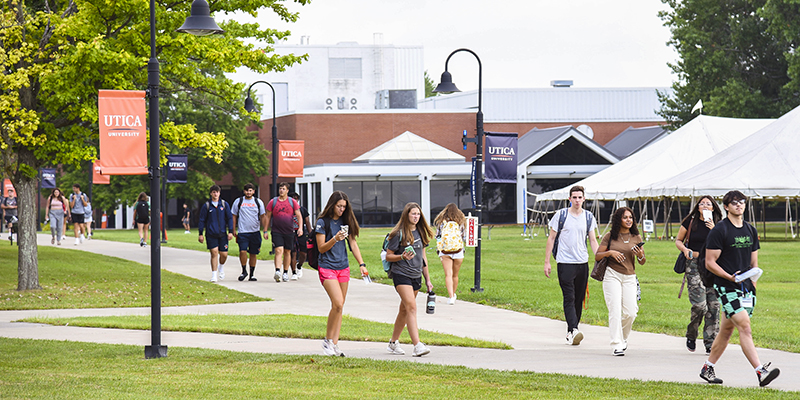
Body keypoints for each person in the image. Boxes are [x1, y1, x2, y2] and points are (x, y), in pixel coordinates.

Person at [699, 190, 780, 387]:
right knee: (744, 325)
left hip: (746, 288)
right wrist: (729, 277)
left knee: (727, 330)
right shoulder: (720, 230)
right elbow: (710, 263)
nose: (739, 205)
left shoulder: (750, 230)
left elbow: (754, 263)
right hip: (726, 286)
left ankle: (707, 367)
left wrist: (753, 283)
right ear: (726, 207)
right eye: (734, 202)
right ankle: (761, 371)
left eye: (742, 202)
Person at [543, 185, 599, 346]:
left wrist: (599, 259)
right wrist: (547, 262)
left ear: (584, 199)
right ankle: (574, 329)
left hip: (582, 262)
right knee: (569, 296)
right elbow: (551, 239)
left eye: (579, 197)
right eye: (574, 197)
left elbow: (593, 240)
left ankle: (571, 333)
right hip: (565, 262)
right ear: (569, 199)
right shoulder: (561, 215)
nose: (577, 200)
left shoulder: (588, 217)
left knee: (579, 298)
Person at [315, 190, 368, 357]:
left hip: (343, 267)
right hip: (327, 267)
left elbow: (353, 243)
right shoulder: (322, 222)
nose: (342, 209)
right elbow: (321, 248)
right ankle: (327, 341)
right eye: (339, 206)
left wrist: (362, 264)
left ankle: (335, 344)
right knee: (337, 302)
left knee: (340, 306)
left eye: (344, 207)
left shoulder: (346, 220)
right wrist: (335, 239)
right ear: (332, 205)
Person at [385, 202, 434, 357]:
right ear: (406, 215)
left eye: (418, 214)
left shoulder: (421, 232)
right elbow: (388, 255)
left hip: (416, 275)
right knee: (411, 307)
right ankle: (417, 345)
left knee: (404, 310)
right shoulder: (398, 233)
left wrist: (427, 279)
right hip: (401, 274)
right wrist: (401, 256)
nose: (416, 217)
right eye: (413, 214)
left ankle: (393, 343)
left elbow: (423, 258)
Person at [595, 207, 646, 356]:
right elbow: (598, 256)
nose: (629, 220)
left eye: (631, 217)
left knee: (631, 313)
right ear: (619, 220)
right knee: (615, 310)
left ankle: (622, 338)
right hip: (612, 275)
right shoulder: (610, 236)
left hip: (630, 277)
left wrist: (640, 255)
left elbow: (642, 262)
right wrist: (610, 252)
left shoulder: (636, 237)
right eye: (625, 217)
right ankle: (616, 344)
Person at [675, 195, 722, 354]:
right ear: (698, 207)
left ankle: (711, 343)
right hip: (694, 264)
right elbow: (678, 240)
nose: (705, 206)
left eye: (708, 204)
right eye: (702, 203)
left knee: (714, 306)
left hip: (714, 266)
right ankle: (692, 333)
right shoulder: (690, 221)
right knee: (700, 305)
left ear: (713, 207)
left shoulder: (719, 225)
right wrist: (684, 249)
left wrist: (713, 229)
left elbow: (724, 244)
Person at [264, 182, 304, 283]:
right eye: (280, 188)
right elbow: (267, 216)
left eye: (283, 189)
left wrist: (300, 228)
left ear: (287, 191)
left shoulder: (292, 202)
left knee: (287, 252)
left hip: (289, 231)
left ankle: (285, 272)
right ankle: (277, 271)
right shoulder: (273, 202)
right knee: (278, 250)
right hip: (276, 230)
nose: (281, 190)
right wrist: (265, 230)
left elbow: (299, 215)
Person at [198, 185, 234, 283]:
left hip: (222, 233)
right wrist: (200, 233)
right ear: (211, 193)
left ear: (219, 193)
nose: (215, 194)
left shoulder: (224, 204)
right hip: (211, 233)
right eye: (213, 192)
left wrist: (231, 231)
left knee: (224, 254)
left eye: (217, 192)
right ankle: (214, 275)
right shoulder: (207, 206)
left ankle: (221, 267)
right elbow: (202, 220)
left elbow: (230, 218)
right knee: (214, 253)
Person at [231, 183, 267, 282]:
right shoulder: (239, 201)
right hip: (243, 232)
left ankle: (252, 274)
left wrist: (265, 230)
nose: (248, 192)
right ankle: (244, 271)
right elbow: (233, 216)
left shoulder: (258, 202)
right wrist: (233, 229)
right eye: (247, 190)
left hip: (255, 232)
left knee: (253, 253)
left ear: (254, 191)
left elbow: (263, 216)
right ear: (244, 191)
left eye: (250, 190)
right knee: (242, 251)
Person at [433, 203, 466, 305]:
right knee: (455, 275)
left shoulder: (441, 222)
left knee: (448, 274)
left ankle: (451, 296)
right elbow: (464, 237)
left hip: (445, 252)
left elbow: (437, 236)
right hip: (458, 251)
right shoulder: (461, 222)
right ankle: (453, 294)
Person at [289, 192, 312, 280]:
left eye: (296, 198)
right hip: (290, 233)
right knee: (293, 253)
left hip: (301, 232)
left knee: (303, 253)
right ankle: (294, 272)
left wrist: (310, 234)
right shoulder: (287, 210)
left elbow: (307, 222)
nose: (294, 200)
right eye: (292, 198)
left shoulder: (302, 210)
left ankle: (299, 266)